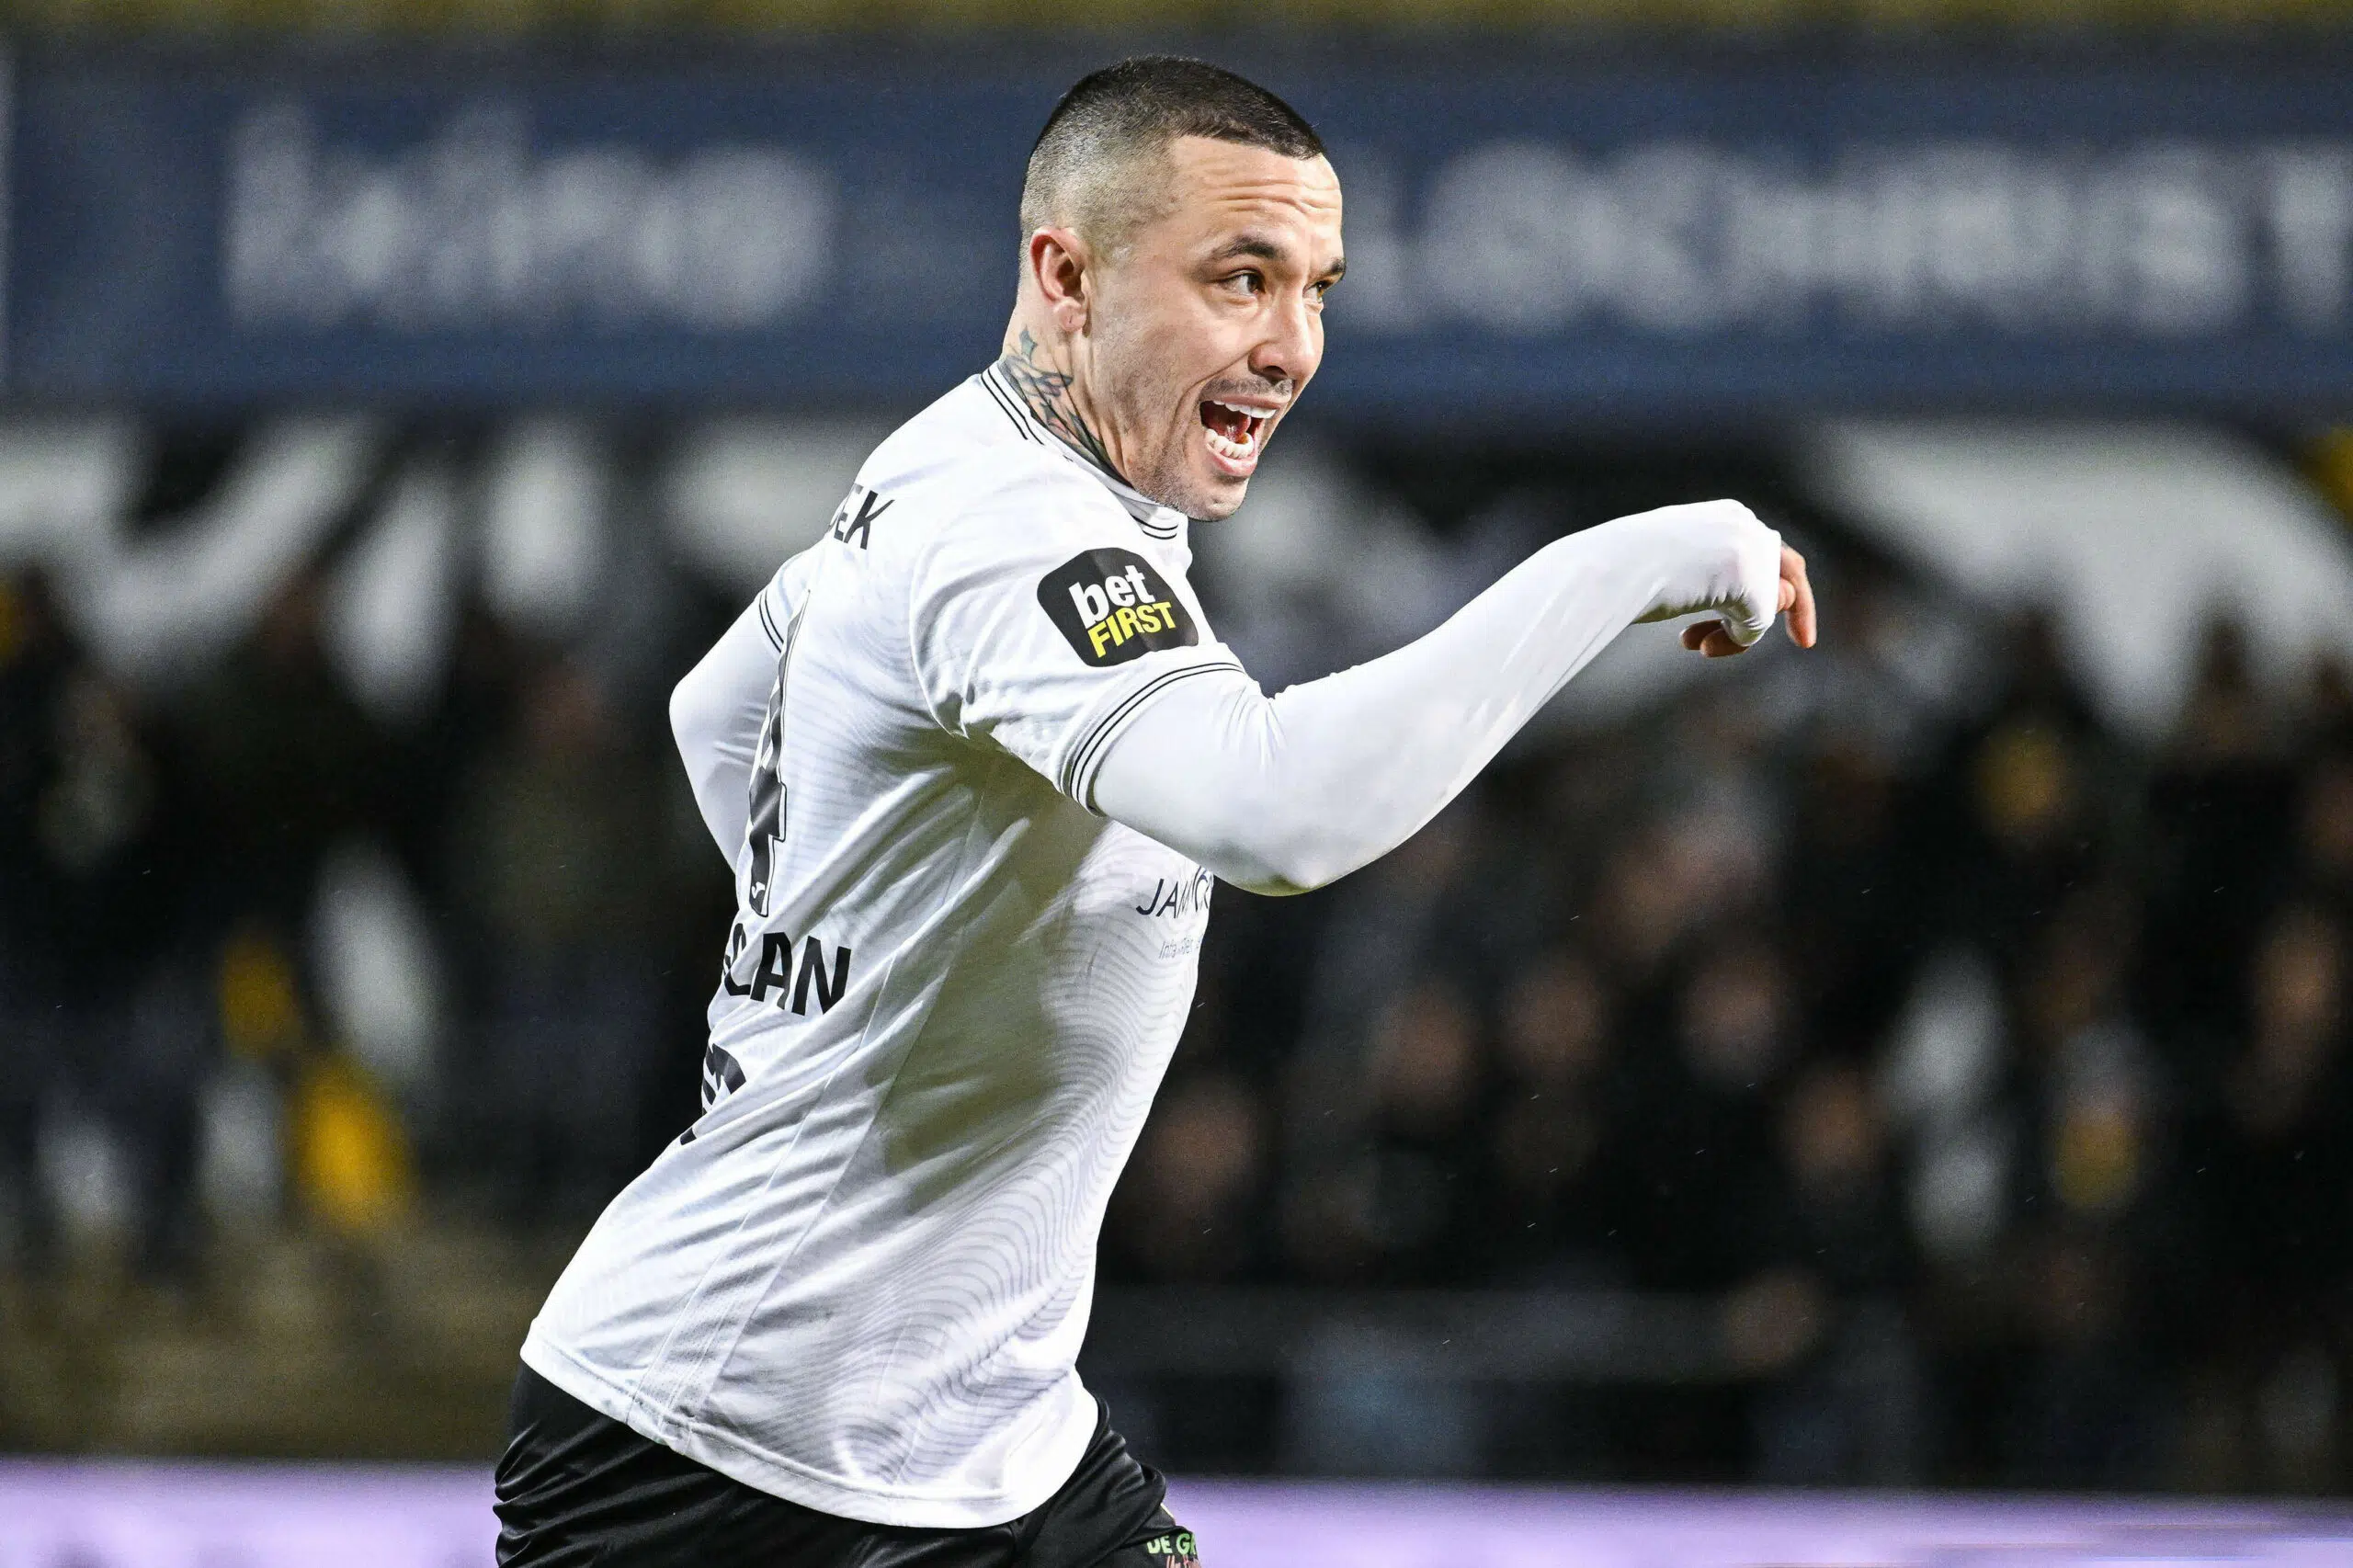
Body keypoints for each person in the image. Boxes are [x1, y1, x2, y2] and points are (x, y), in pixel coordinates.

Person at [493, 55, 1815, 1568]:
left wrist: (876, 951)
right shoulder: (1015, 535)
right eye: (1240, 279)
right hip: (719, 1453)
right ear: (1067, 277)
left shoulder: (966, 464)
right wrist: (1641, 560)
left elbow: (717, 709)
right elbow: (1276, 815)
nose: (1293, 345)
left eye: (1316, 289)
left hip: (988, 1441)